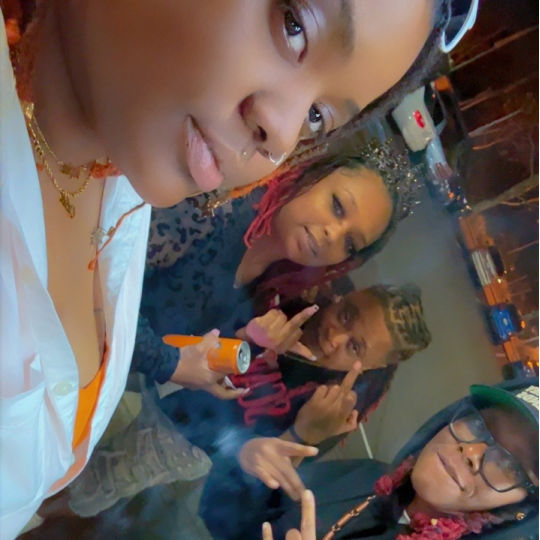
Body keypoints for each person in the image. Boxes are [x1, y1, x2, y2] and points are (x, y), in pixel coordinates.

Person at [0, 0, 478, 535]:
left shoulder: (272, 289)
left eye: (316, 117)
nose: (283, 135)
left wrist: (280, 419)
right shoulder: (197, 201)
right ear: (313, 175)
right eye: (294, 25)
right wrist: (173, 362)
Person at [134, 142, 421, 392]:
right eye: (337, 206)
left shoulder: (277, 285)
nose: (332, 235)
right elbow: (109, 281)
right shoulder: (220, 205)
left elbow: (186, 355)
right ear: (312, 173)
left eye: (349, 243)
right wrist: (166, 363)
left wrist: (248, 342)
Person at [202, 379, 539, 540]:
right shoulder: (370, 478)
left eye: (509, 465)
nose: (473, 453)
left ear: (519, 506)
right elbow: (220, 517)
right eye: (479, 424)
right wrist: (252, 462)